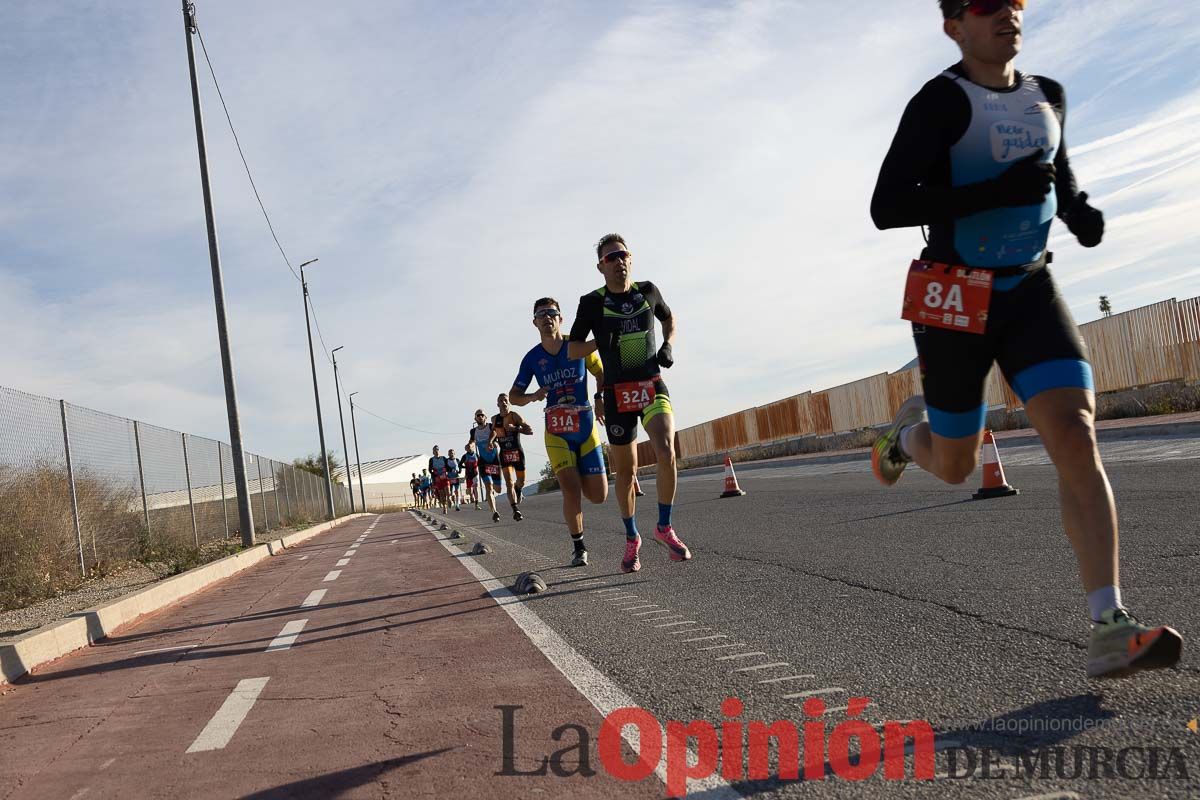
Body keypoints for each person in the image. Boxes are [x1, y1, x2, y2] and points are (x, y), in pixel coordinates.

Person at [868, 0, 1180, 678]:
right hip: (955, 293)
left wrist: (1078, 209)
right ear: (954, 25)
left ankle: (1108, 622)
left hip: (1031, 287)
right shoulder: (940, 103)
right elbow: (887, 206)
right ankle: (903, 437)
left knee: (1075, 431)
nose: (1006, 14)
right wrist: (990, 193)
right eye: (985, 5)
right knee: (954, 465)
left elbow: (1055, 174)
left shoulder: (1050, 96)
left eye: (1014, 1)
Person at [568, 233, 690, 573]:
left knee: (666, 449)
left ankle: (664, 527)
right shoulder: (591, 303)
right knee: (627, 472)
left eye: (623, 255)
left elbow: (669, 317)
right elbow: (573, 349)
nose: (618, 261)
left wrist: (668, 344)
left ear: (630, 259)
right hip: (617, 392)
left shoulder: (648, 291)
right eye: (611, 257)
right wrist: (597, 342)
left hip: (651, 382)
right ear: (600, 267)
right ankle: (632, 537)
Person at [509, 297, 608, 567]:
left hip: (586, 425)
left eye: (552, 313)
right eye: (541, 314)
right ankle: (579, 546)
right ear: (534, 322)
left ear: (560, 319)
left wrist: (599, 398)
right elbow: (513, 395)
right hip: (556, 430)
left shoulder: (577, 347)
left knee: (599, 496)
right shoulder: (532, 359)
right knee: (570, 490)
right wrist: (533, 396)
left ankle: (584, 479)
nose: (547, 318)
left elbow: (601, 372)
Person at [493, 394, 533, 521]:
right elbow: (493, 433)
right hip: (504, 454)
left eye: (505, 400)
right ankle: (515, 510)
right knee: (509, 483)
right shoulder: (494, 419)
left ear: (508, 403)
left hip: (517, 453)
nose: (503, 403)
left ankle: (518, 488)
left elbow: (529, 430)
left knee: (521, 481)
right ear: (497, 404)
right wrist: (491, 442)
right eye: (501, 401)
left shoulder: (514, 415)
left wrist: (515, 428)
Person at [470, 410, 504, 523]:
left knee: (497, 489)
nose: (480, 417)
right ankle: (494, 511)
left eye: (482, 415)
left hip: (494, 461)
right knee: (488, 487)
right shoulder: (473, 431)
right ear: (475, 419)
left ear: (485, 417)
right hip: (483, 462)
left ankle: (494, 492)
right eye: (478, 416)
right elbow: (471, 442)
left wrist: (491, 442)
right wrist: (468, 446)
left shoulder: (490, 426)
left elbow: (495, 433)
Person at [428, 447, 451, 513]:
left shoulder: (443, 458)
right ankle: (444, 507)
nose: (436, 451)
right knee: (441, 494)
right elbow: (430, 469)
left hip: (444, 477)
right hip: (437, 478)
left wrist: (451, 470)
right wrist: (434, 474)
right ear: (433, 452)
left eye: (437, 450)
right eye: (435, 450)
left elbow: (448, 466)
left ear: (439, 451)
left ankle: (449, 499)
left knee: (447, 491)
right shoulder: (431, 460)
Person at [461, 441, 481, 509]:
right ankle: (472, 498)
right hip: (468, 475)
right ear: (466, 449)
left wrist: (479, 467)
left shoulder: (476, 455)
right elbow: (459, 464)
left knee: (475, 488)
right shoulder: (464, 456)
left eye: (470, 447)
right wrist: (465, 467)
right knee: (470, 491)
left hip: (475, 474)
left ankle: (476, 503)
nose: (469, 449)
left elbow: (480, 462)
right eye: (467, 448)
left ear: (472, 447)